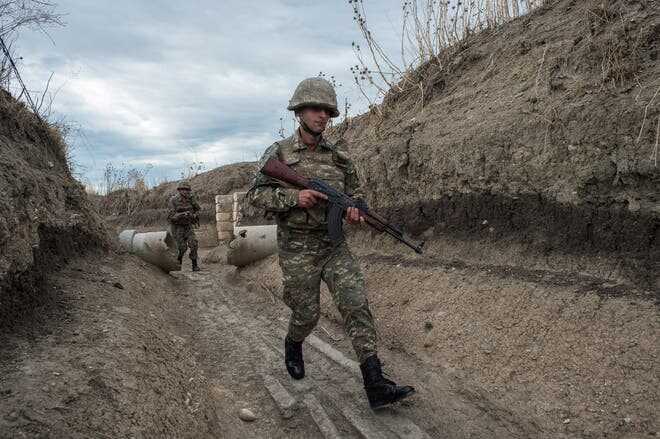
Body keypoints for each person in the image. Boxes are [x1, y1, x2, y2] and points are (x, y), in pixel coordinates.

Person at [247, 77, 414, 409]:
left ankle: (375, 384)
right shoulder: (278, 153)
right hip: (297, 248)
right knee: (307, 314)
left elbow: (357, 197)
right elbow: (256, 196)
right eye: (314, 108)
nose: (321, 115)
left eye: (327, 110)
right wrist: (295, 197)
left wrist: (354, 211)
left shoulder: (340, 159)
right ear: (299, 112)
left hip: (334, 246)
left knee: (356, 305)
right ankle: (294, 344)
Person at [167, 181, 201, 272]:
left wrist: (194, 215)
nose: (186, 192)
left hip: (188, 226)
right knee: (181, 248)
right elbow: (171, 216)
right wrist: (182, 214)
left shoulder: (191, 199)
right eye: (183, 190)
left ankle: (194, 265)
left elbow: (198, 210)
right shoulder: (173, 200)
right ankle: (178, 264)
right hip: (177, 227)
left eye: (187, 190)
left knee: (193, 244)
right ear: (179, 190)